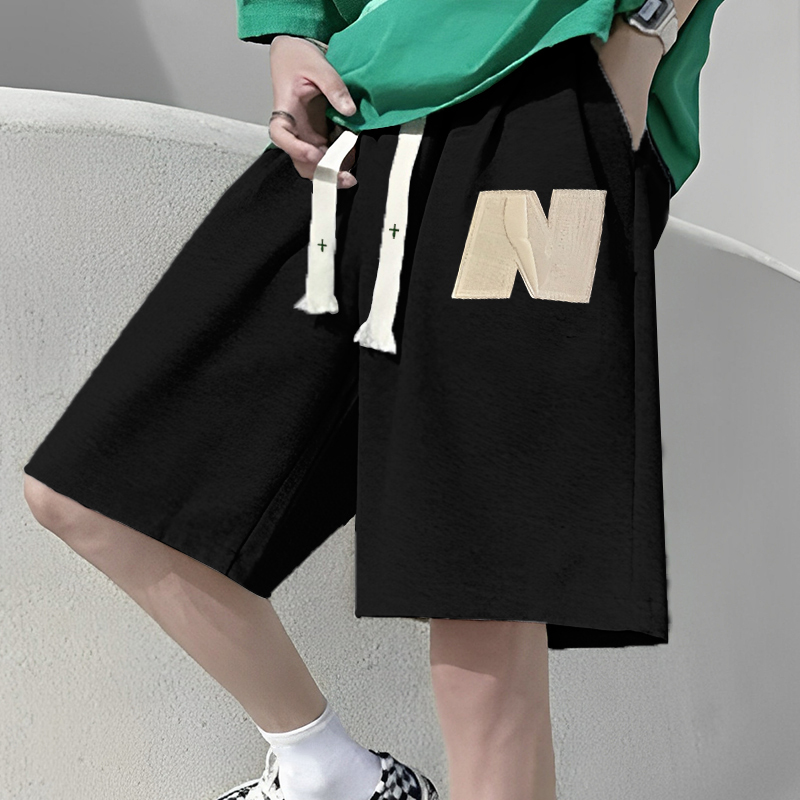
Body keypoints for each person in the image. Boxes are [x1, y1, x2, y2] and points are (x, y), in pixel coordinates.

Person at [22, 1, 724, 798]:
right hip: (360, 115)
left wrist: (644, 36)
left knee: (482, 590)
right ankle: (326, 769)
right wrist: (293, 31)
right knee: (90, 493)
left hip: (547, 102)